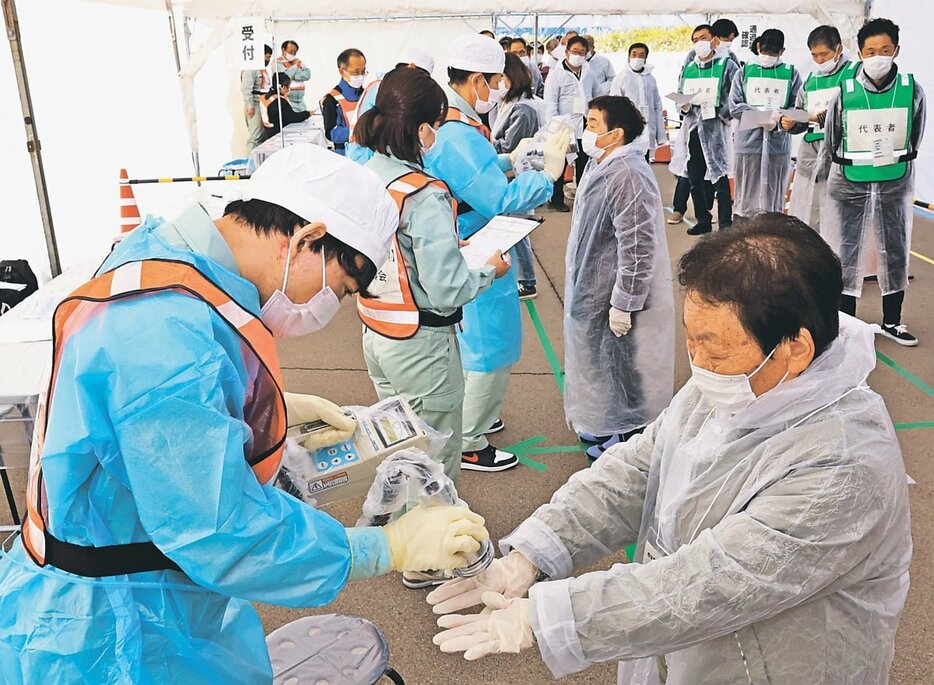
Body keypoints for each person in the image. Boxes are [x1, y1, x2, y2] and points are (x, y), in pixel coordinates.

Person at [0, 144, 491, 683]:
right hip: (119, 634)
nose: (328, 307)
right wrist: (384, 547)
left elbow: (140, 426)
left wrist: (243, 415)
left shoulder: (165, 258)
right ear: (306, 239)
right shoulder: (165, 336)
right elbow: (219, 530)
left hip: (138, 592)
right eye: (340, 289)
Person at [429, 213, 911, 685]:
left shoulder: (844, 462)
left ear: (796, 349)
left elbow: (715, 583)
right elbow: (635, 472)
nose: (698, 364)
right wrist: (533, 554)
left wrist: (550, 618)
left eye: (715, 350)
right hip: (691, 649)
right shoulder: (739, 382)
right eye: (691, 341)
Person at [354, 66, 509, 525]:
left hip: (377, 330)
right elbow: (447, 290)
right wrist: (488, 271)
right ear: (423, 129)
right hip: (422, 344)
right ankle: (431, 556)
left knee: (397, 444)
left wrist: (447, 251)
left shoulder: (366, 173)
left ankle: (398, 525)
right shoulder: (423, 194)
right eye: (438, 125)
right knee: (435, 458)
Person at [423, 33, 567, 475]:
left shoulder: (454, 124)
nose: (498, 90)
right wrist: (548, 175)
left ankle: (476, 416)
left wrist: (508, 158)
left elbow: (475, 177)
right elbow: (499, 200)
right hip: (478, 243)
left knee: (477, 343)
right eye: (495, 82)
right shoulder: (458, 135)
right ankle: (469, 441)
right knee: (489, 346)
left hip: (466, 238)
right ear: (477, 82)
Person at [563, 96, 674, 460]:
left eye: (594, 124)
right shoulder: (603, 164)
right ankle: (609, 421)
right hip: (593, 283)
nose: (586, 130)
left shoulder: (627, 174)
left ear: (616, 134)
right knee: (600, 360)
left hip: (612, 289)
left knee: (622, 362)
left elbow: (639, 245)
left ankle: (629, 432)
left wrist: (624, 302)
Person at [821, 17, 926, 346]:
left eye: (885, 49)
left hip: (893, 182)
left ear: (896, 50)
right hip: (851, 181)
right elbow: (832, 137)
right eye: (870, 50)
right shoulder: (846, 90)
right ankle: (846, 324)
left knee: (894, 250)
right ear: (860, 52)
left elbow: (915, 134)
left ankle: (892, 321)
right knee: (846, 252)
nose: (878, 55)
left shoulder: (911, 88)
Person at [782, 26, 858, 232]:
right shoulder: (811, 80)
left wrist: (821, 117)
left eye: (824, 54)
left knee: (839, 216)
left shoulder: (855, 74)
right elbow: (800, 112)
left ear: (839, 48)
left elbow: (856, 109)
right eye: (814, 56)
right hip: (812, 156)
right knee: (811, 211)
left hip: (842, 156)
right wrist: (791, 123)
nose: (819, 60)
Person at [670, 24, 738, 235]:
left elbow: (735, 96)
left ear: (715, 40)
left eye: (704, 38)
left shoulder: (727, 65)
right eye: (695, 39)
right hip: (693, 130)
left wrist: (721, 113)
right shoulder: (690, 67)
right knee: (695, 177)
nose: (700, 43)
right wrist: (683, 105)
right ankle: (703, 219)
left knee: (720, 177)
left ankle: (726, 222)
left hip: (716, 128)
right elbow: (680, 94)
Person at [728, 28, 802, 220]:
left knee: (773, 193)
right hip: (748, 144)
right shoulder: (744, 72)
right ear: (758, 46)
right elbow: (734, 106)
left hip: (778, 145)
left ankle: (772, 232)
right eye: (765, 51)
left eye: (773, 53)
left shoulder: (791, 74)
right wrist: (762, 118)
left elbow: (798, 106)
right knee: (746, 193)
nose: (768, 56)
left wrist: (777, 120)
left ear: (782, 51)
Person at [492, 52, 545, 300]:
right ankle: (523, 277)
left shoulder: (523, 110)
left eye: (499, 77)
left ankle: (528, 280)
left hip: (516, 173)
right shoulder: (508, 104)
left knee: (518, 227)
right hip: (510, 172)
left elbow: (512, 148)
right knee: (512, 224)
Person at [345, 49, 435, 165]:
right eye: (421, 78)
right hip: (366, 159)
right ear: (411, 67)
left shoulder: (384, 85)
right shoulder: (389, 90)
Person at [543, 34, 597, 212]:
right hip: (564, 125)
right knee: (561, 163)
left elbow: (595, 94)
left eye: (582, 52)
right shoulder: (556, 74)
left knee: (583, 162)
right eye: (575, 51)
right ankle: (556, 199)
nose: (578, 55)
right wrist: (555, 126)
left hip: (585, 124)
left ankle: (582, 200)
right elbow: (550, 102)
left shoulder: (588, 71)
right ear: (566, 53)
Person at [610, 42, 667, 161]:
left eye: (641, 55)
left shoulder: (650, 79)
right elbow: (614, 107)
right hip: (628, 130)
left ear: (645, 59)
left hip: (647, 128)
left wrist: (660, 135)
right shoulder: (621, 78)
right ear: (628, 57)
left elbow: (657, 105)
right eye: (634, 54)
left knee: (644, 163)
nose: (637, 58)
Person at [321, 48, 367, 156]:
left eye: (363, 71)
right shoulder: (332, 99)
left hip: (368, 154)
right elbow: (331, 133)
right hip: (346, 156)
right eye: (356, 72)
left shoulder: (367, 94)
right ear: (342, 71)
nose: (360, 76)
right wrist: (361, 131)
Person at [240, 44, 273, 151]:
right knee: (255, 136)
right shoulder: (251, 68)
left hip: (262, 103)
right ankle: (250, 163)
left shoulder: (262, 69)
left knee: (263, 136)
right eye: (267, 57)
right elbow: (246, 88)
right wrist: (250, 105)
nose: (268, 60)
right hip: (254, 104)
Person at [262, 73, 312, 141]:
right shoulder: (280, 101)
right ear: (282, 87)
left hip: (268, 132)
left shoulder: (267, 96)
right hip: (279, 134)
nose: (289, 90)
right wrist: (307, 114)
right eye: (287, 87)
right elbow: (292, 117)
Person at [276, 40, 311, 113]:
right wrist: (295, 66)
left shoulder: (298, 61)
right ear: (283, 50)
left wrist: (294, 77)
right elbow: (286, 76)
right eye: (291, 51)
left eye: (295, 51)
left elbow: (308, 74)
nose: (293, 54)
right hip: (288, 100)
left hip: (301, 101)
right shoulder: (278, 62)